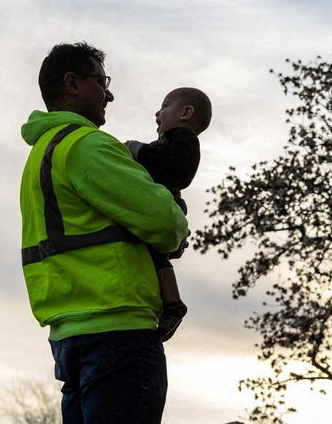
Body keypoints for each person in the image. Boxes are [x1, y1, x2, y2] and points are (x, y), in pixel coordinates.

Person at [19, 42, 188, 424]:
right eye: (101, 81)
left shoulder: (42, 154)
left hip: (70, 337)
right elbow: (166, 225)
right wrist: (175, 211)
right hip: (118, 333)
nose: (109, 93)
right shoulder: (88, 147)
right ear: (72, 83)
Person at [125, 87, 212, 342]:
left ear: (186, 113)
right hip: (159, 204)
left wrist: (138, 150)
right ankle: (168, 301)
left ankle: (173, 303)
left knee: (157, 257)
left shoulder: (183, 139)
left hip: (169, 203)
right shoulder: (168, 141)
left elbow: (178, 169)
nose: (157, 112)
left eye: (164, 106)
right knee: (155, 258)